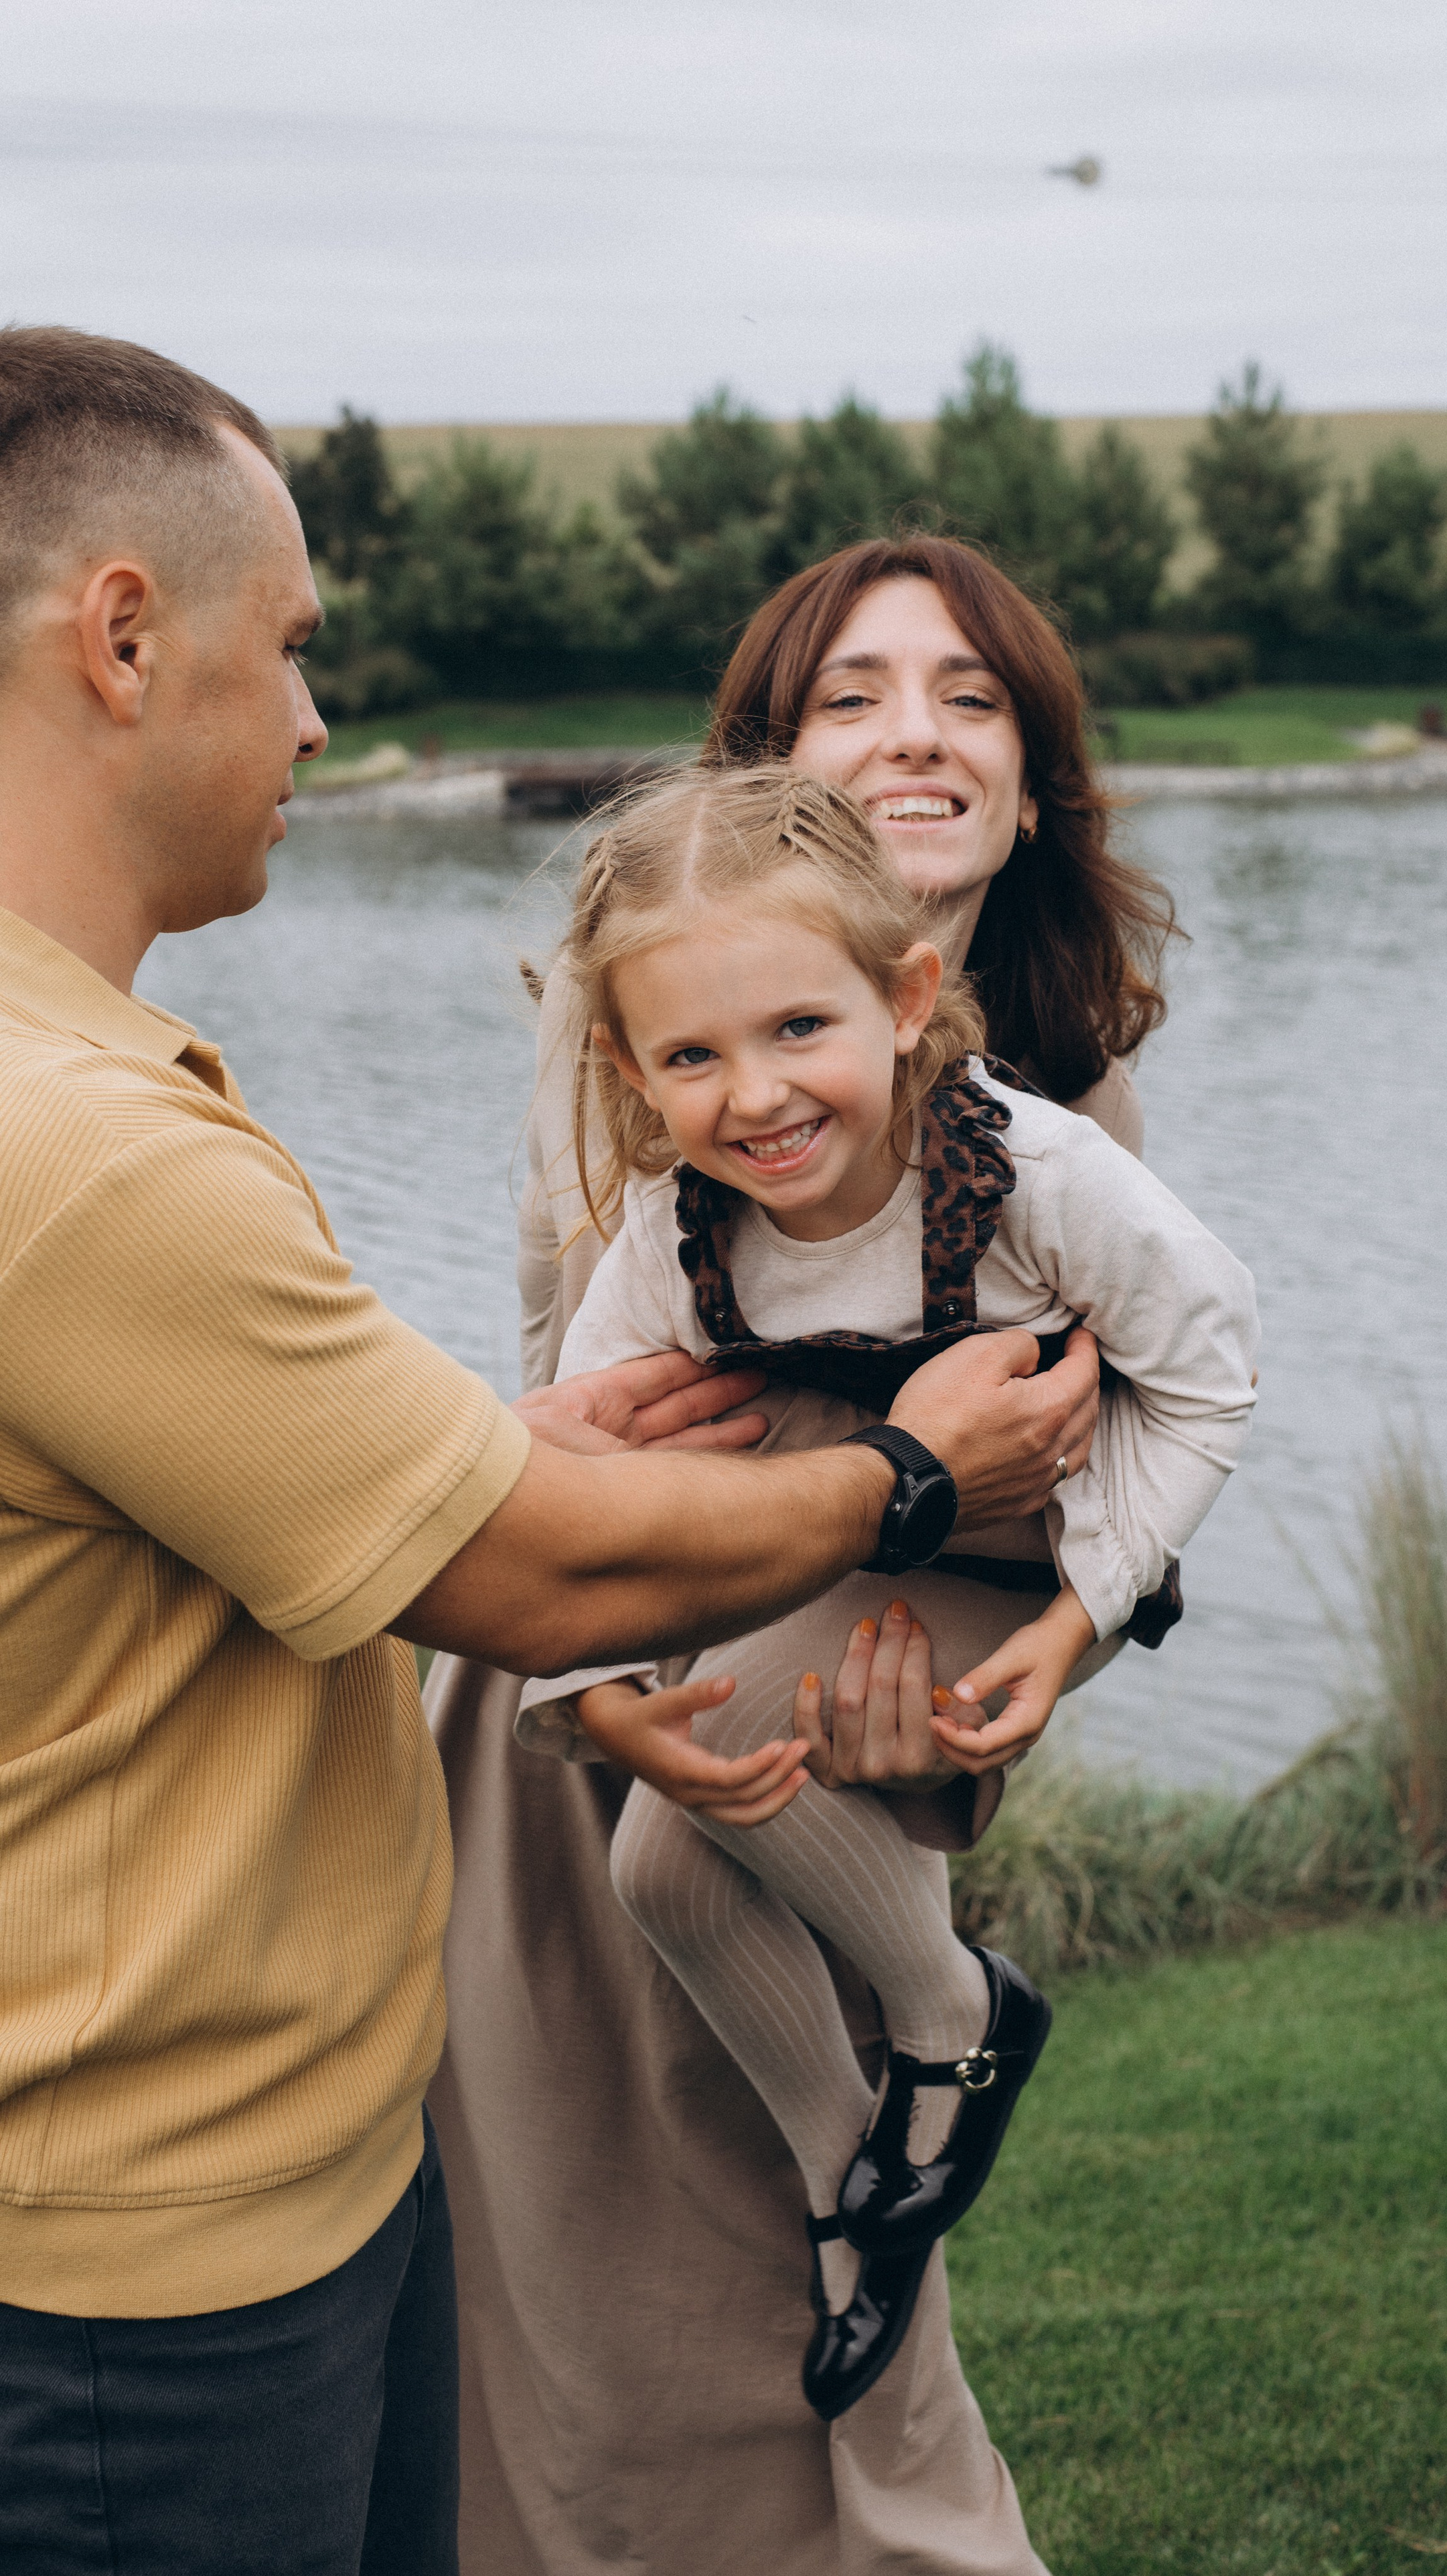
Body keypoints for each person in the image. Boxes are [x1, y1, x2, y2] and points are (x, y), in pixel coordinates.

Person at [0, 331, 1096, 2576]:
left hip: (280, 2150)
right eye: (294, 648)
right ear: (125, 635)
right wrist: (901, 1479)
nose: (320, 719)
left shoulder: (100, 1091)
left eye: (974, 697)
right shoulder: (89, 1145)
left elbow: (274, 1479)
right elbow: (527, 1571)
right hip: (157, 2218)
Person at [428, 536, 1208, 2575]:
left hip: (836, 1740)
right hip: (605, 1699)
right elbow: (579, 1431)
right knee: (618, 2264)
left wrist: (975, 1708)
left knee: (837, 2244)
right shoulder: (648, 1069)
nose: (918, 737)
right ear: (765, 768)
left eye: (973, 700)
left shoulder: (1071, 1095)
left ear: (1035, 786)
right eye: (854, 695)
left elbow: (1110, 1463)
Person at [532, 762, 1258, 2421]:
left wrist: (1077, 1619)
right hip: (863, 1552)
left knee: (765, 1714)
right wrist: (597, 1705)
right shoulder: (671, 1232)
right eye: (691, 1055)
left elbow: (1208, 1369)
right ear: (627, 1068)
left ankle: (945, 2010)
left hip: (1029, 1561)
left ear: (903, 991)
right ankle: (850, 2194)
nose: (755, 1095)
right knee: (665, 1865)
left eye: (798, 1027)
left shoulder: (1031, 1173)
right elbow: (585, 1490)